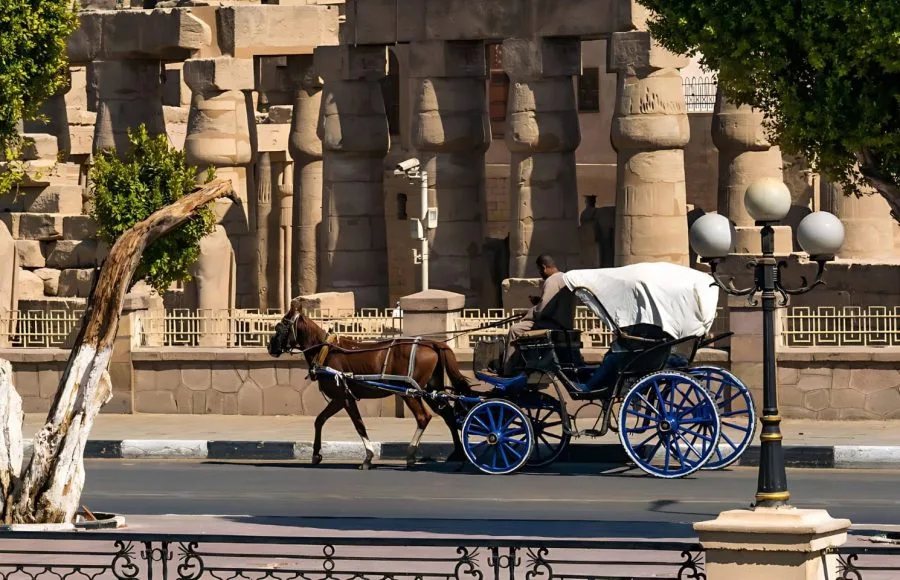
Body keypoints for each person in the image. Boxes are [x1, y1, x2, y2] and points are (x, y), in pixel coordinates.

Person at [502, 254, 576, 375]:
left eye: (540, 270)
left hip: (553, 324)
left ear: (544, 267)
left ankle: (509, 371)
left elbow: (542, 311)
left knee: (515, 329)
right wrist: (538, 302)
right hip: (564, 323)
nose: (540, 274)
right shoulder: (565, 278)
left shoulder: (551, 280)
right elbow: (551, 303)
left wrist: (528, 314)